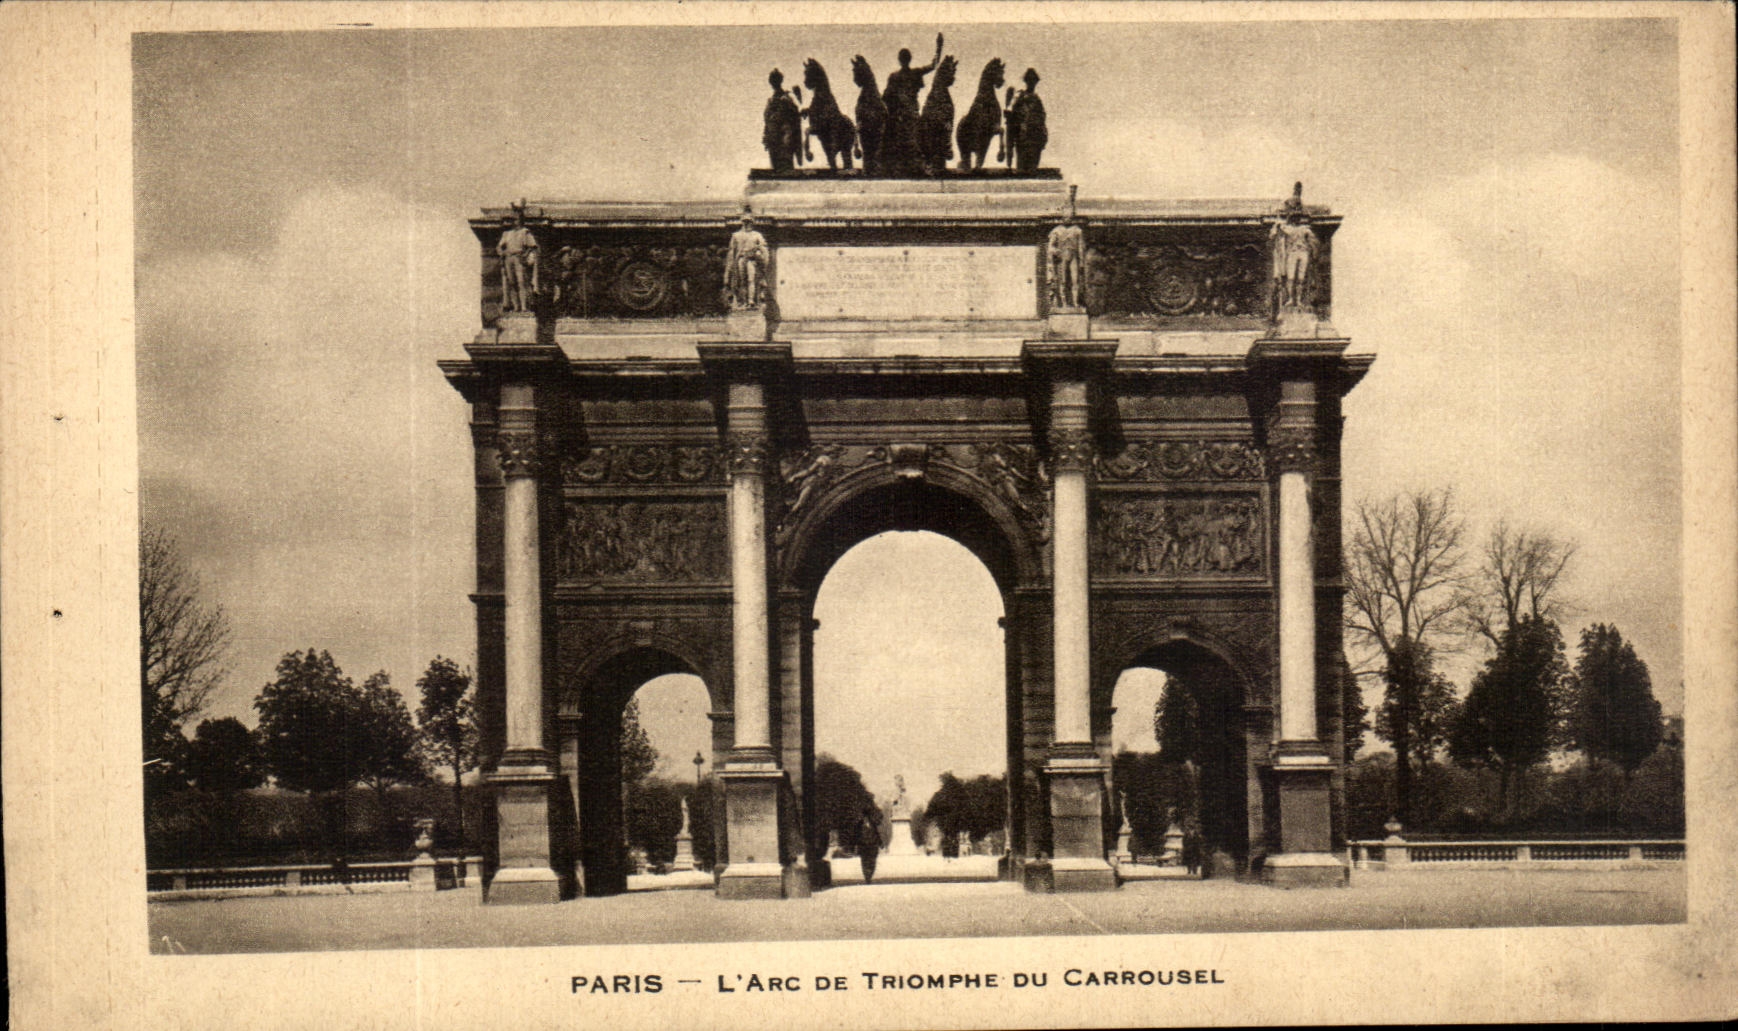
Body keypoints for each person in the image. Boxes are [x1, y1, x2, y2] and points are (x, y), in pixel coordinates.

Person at [879, 33, 944, 176]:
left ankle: (926, 163)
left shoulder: (898, 76)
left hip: (905, 115)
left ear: (901, 60)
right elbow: (934, 65)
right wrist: (939, 48)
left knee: (917, 136)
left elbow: (885, 96)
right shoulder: (908, 74)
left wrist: (939, 47)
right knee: (920, 137)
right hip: (905, 114)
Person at [497, 205, 539, 312]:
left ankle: (524, 306)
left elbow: (533, 247)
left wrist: (525, 255)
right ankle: (516, 306)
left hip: (519, 258)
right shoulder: (507, 234)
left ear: (521, 221)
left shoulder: (525, 232)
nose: (515, 222)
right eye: (514, 220)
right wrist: (502, 253)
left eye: (518, 220)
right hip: (508, 258)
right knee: (512, 282)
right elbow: (499, 246)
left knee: (521, 282)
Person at [724, 215, 769, 309]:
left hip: (752, 260)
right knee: (741, 280)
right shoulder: (736, 235)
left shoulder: (757, 235)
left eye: (749, 221)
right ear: (742, 222)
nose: (747, 223)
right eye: (745, 221)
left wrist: (759, 255)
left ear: (752, 223)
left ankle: (751, 300)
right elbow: (732, 250)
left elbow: (763, 247)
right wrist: (731, 264)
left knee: (751, 279)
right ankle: (742, 301)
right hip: (740, 258)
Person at [1008, 68, 1048, 172]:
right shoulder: (1020, 97)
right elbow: (1013, 115)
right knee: (1022, 167)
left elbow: (1042, 117)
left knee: (1033, 168)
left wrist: (1043, 134)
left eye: (1034, 81)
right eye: (1029, 80)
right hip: (1023, 137)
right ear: (1026, 81)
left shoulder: (1037, 99)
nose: (1032, 83)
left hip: (1035, 138)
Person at [762, 69, 802, 172]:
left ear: (779, 81)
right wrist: (766, 135)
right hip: (773, 137)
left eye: (775, 80)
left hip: (785, 136)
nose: (773, 83)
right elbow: (767, 120)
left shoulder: (786, 98)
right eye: (772, 81)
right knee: (776, 168)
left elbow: (794, 117)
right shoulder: (770, 100)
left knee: (786, 165)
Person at [857, 811, 882, 884]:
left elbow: (877, 834)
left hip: (872, 846)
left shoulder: (873, 824)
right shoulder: (859, 825)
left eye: (867, 817)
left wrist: (880, 843)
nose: (866, 819)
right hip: (863, 846)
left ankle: (870, 874)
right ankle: (867, 876)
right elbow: (857, 836)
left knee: (872, 862)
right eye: (864, 817)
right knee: (864, 862)